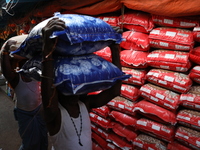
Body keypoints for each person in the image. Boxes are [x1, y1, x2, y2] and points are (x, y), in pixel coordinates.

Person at [41, 18, 122, 150]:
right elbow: (48, 98)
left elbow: (115, 91)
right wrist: (47, 51)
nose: (76, 91)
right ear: (57, 88)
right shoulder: (55, 114)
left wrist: (114, 49)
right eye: (70, 86)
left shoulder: (84, 105)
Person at [1, 39, 48, 150]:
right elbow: (6, 72)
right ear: (20, 65)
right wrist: (4, 51)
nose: (28, 64)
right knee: (29, 143)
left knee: (43, 140)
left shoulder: (36, 75)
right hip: (25, 114)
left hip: (38, 111)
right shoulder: (17, 78)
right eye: (24, 62)